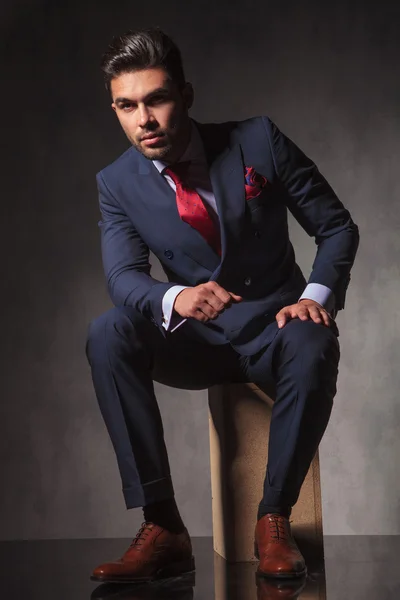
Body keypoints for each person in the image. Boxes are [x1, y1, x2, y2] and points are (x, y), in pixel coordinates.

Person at [86, 27, 359, 583]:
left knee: (315, 337)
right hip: (199, 341)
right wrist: (176, 296)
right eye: (127, 105)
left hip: (276, 332)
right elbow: (122, 277)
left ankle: (273, 518)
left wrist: (312, 298)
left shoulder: (257, 141)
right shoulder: (116, 183)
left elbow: (336, 228)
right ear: (115, 107)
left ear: (185, 96)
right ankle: (162, 526)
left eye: (156, 99)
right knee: (108, 332)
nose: (145, 120)